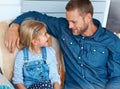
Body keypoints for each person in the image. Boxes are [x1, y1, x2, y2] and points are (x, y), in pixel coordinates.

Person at [4, 0, 120, 89]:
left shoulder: (111, 41)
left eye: (73, 22)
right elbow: (34, 15)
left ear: (88, 18)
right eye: (68, 21)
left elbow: (117, 77)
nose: (69, 26)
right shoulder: (63, 28)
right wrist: (14, 27)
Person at [12, 20, 60, 89]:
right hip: (30, 87)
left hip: (47, 87)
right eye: (45, 34)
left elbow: (54, 75)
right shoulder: (21, 55)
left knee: (46, 85)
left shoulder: (50, 52)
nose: (48, 36)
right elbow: (17, 80)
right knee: (46, 85)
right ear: (35, 42)